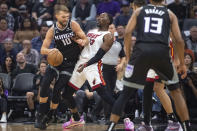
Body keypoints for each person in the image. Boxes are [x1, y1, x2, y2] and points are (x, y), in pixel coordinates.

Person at [107, 0, 191, 131]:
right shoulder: (167, 13)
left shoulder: (141, 13)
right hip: (161, 51)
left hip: (155, 50)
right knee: (156, 88)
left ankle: (166, 121)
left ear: (135, 6)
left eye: (132, 7)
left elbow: (128, 33)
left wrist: (129, 56)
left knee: (153, 88)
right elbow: (177, 39)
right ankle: (167, 122)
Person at [34, 5, 89, 130]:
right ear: (57, 16)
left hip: (70, 63)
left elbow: (85, 39)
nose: (66, 19)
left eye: (67, 16)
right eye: (63, 17)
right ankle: (40, 114)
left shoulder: (73, 25)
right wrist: (50, 51)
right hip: (57, 60)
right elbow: (43, 49)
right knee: (44, 84)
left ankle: (50, 115)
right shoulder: (52, 30)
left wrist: (82, 41)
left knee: (57, 89)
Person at [62, 12, 116, 129]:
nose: (99, 18)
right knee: (66, 94)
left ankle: (125, 117)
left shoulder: (108, 36)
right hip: (80, 64)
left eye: (103, 17)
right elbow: (84, 46)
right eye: (99, 16)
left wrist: (86, 64)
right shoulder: (91, 32)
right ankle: (76, 119)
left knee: (103, 94)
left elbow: (98, 55)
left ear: (108, 22)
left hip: (93, 66)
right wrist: (75, 39)